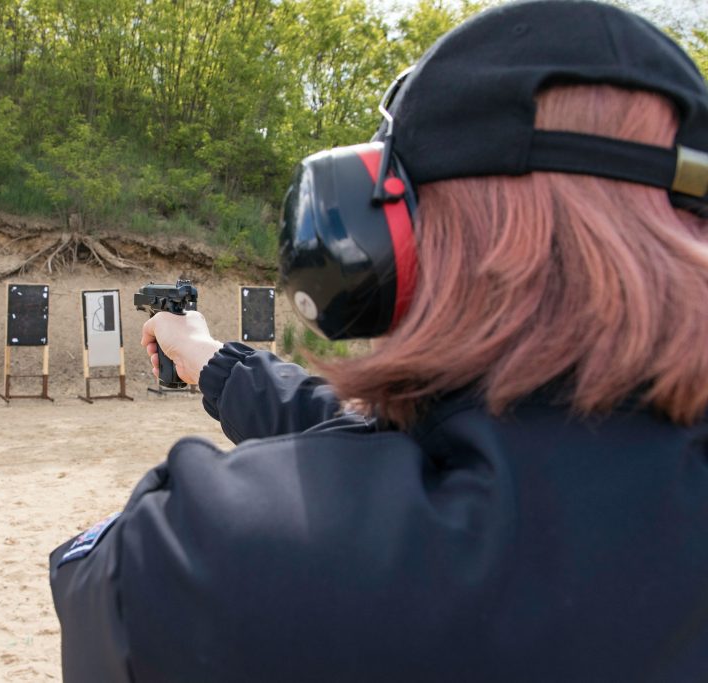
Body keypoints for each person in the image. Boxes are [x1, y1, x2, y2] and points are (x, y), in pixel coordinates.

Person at [49, 1, 708, 680]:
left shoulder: (213, 553)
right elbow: (448, 438)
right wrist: (214, 361)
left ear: (392, 241)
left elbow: (96, 575)